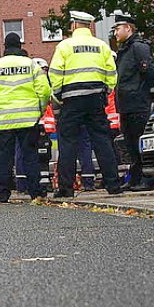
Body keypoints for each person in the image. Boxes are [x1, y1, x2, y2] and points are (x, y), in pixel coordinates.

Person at [48, 11, 123, 196]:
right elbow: (112, 74)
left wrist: (59, 95)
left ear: (74, 25)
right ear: (89, 26)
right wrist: (105, 92)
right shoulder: (101, 46)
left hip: (71, 99)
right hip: (96, 98)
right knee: (102, 140)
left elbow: (55, 74)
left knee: (68, 142)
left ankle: (66, 188)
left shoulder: (65, 46)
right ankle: (113, 185)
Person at [0, 32, 51, 201]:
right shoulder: (31, 65)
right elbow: (44, 90)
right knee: (30, 156)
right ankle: (35, 192)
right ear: (20, 46)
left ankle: (3, 193)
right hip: (28, 120)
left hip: (4, 121)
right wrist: (39, 111)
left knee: (4, 158)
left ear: (5, 47)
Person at [110, 12, 154, 190]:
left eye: (117, 29)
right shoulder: (124, 50)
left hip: (138, 102)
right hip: (126, 104)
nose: (115, 33)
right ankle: (135, 177)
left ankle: (149, 177)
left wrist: (150, 94)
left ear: (128, 28)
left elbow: (150, 71)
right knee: (131, 143)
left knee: (141, 141)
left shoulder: (139, 47)